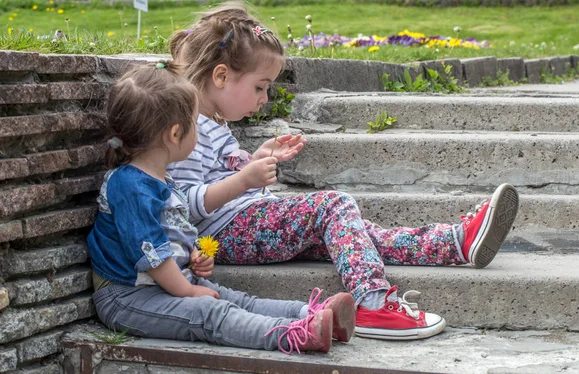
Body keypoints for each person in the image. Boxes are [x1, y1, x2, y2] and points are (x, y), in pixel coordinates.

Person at [168, 2, 520, 341]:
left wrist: (253, 159)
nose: (265, 98)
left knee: (358, 236)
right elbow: (184, 203)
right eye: (260, 87)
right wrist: (245, 179)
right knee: (333, 206)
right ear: (221, 76)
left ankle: (454, 242)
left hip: (245, 224)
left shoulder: (213, 123)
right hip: (226, 234)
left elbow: (217, 175)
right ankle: (371, 303)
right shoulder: (189, 126)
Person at [86, 61, 356, 355]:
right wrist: (187, 289)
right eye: (196, 124)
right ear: (175, 135)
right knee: (209, 312)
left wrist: (191, 257)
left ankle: (308, 313)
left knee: (233, 297)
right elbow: (150, 253)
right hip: (127, 297)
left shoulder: (162, 179)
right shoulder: (130, 186)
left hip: (160, 285)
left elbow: (167, 235)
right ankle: (295, 334)